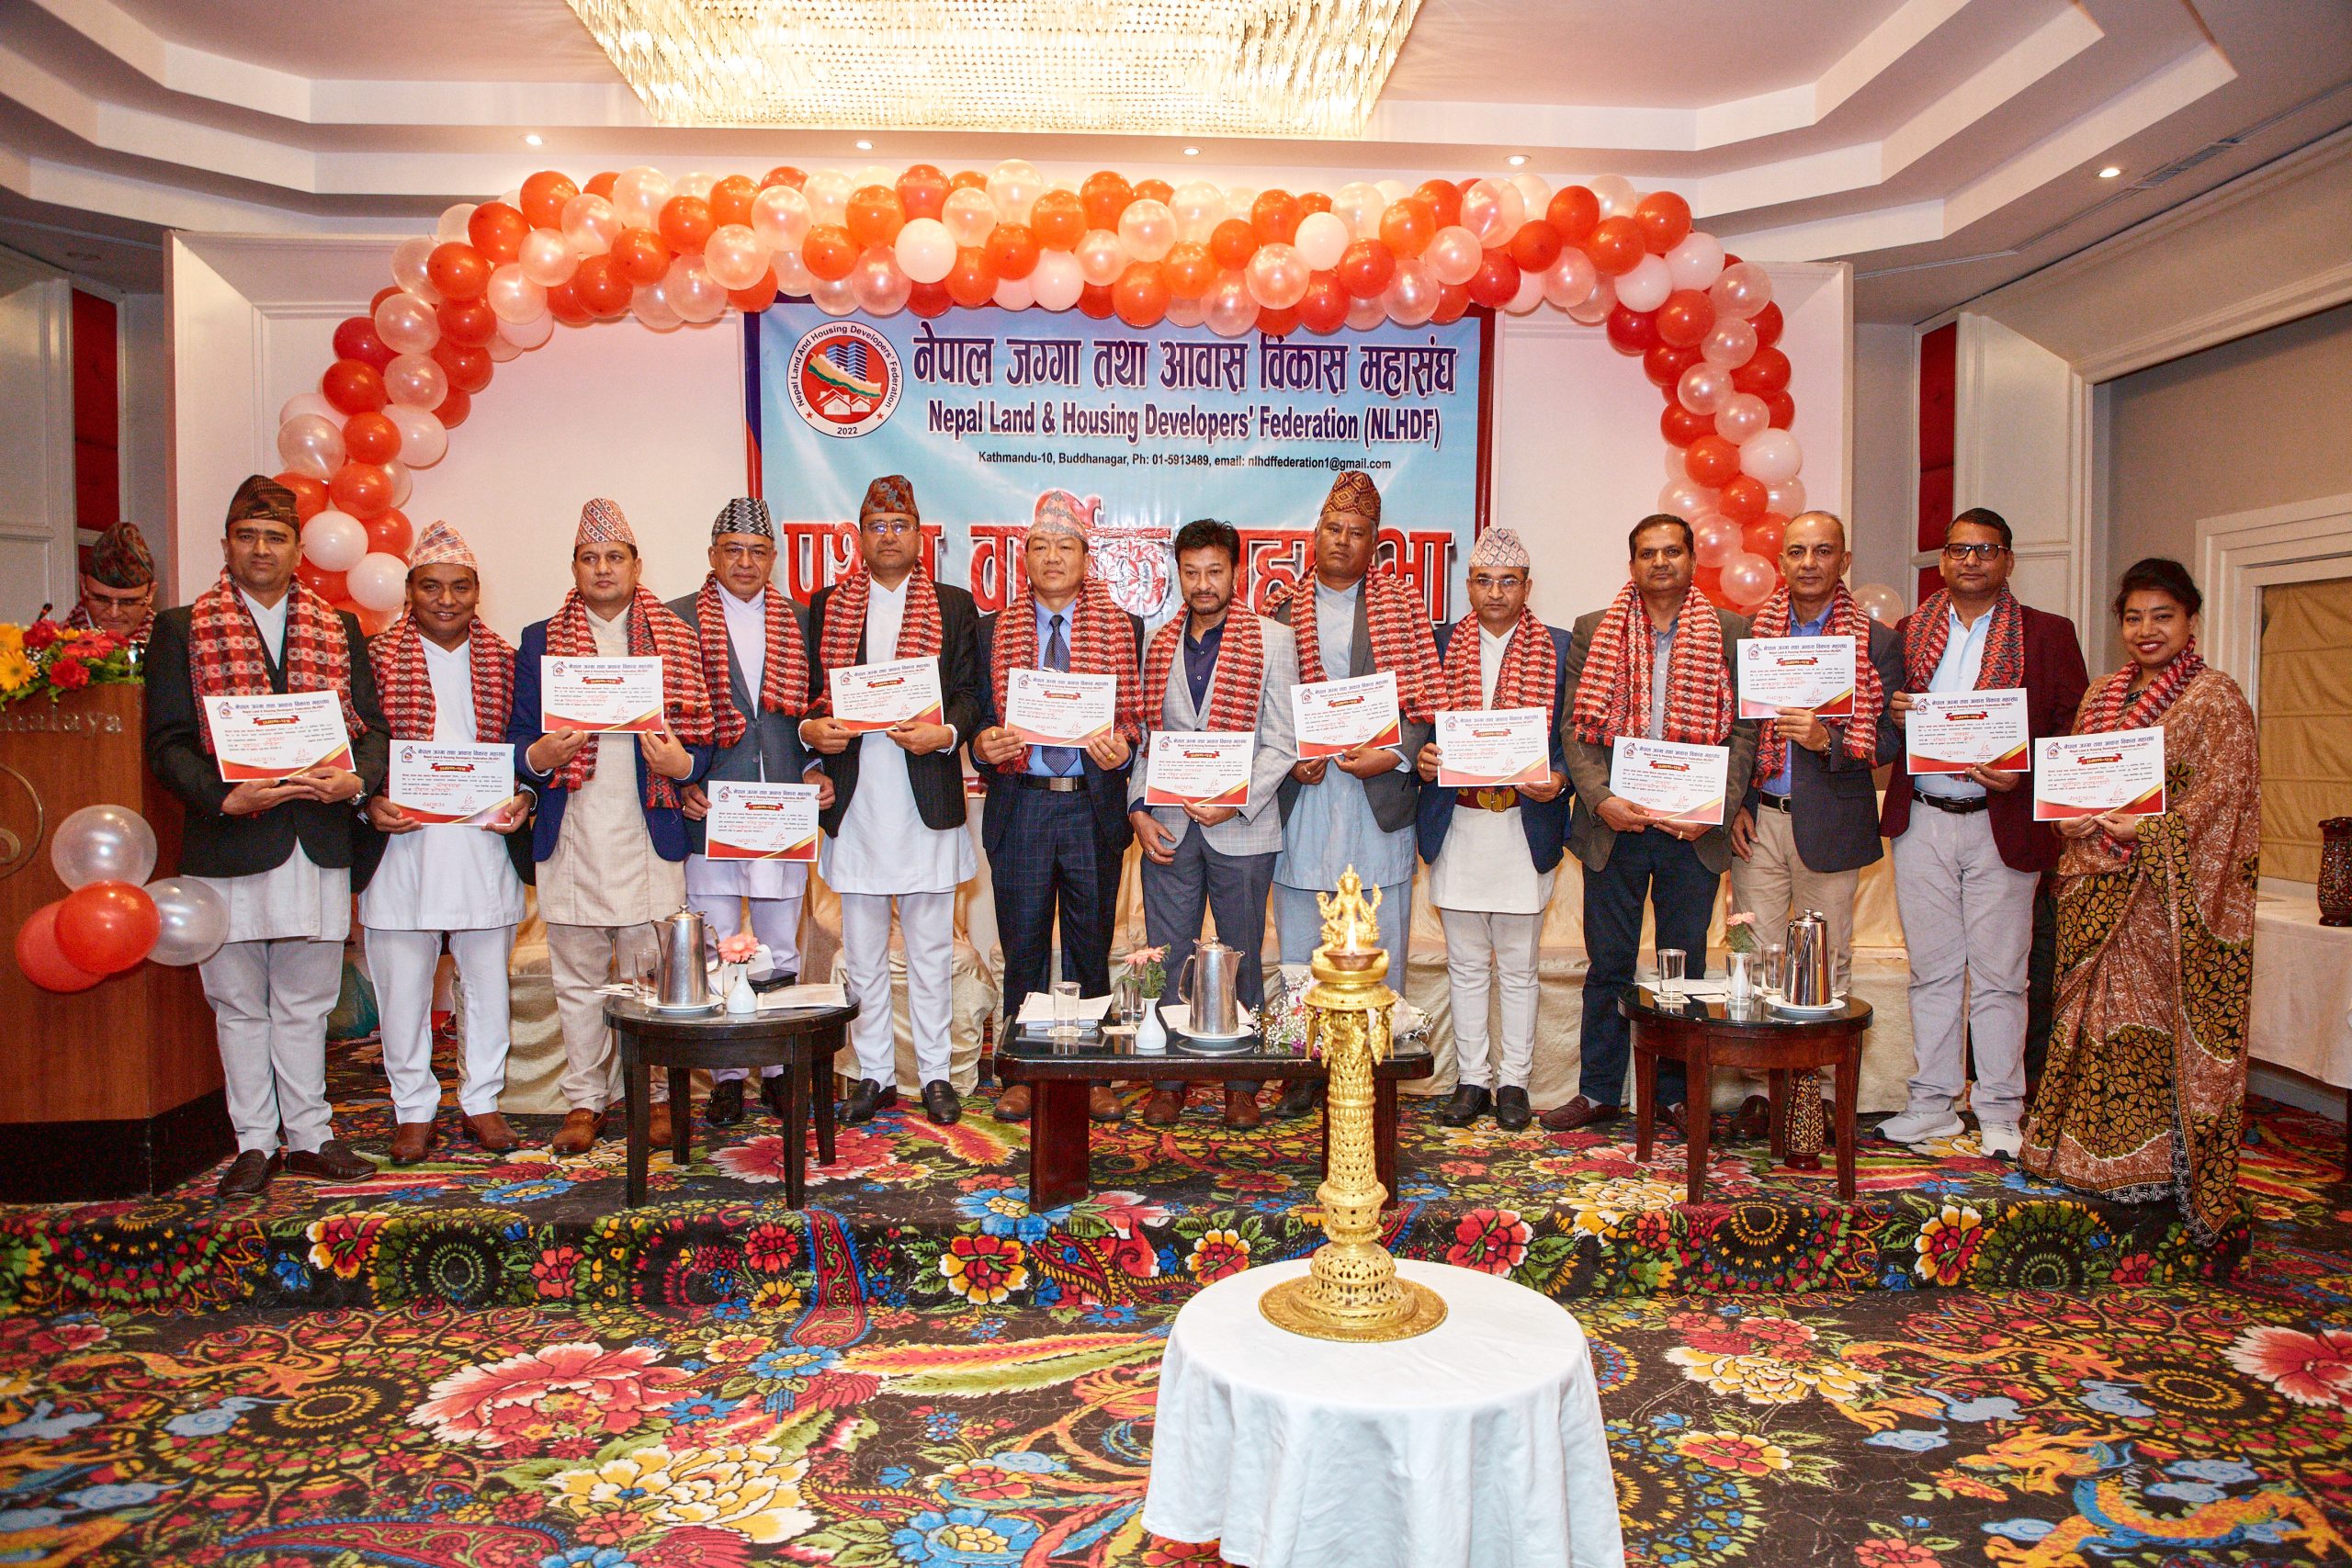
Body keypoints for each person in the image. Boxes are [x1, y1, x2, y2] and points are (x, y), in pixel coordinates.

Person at [144, 476, 387, 1198]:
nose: (260, 548)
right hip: (229, 841)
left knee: (308, 1001)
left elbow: (372, 732)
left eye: (275, 536)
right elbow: (166, 743)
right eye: (247, 535)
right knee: (239, 1002)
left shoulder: (338, 627)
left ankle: (310, 1134)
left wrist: (356, 781)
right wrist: (224, 795)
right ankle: (253, 1140)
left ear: (297, 548)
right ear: (226, 544)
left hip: (315, 836)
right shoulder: (183, 628)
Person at [2021, 557, 2256, 1247]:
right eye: (2133, 617)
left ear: (2190, 620)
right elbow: (2074, 775)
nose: (2147, 630)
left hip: (2160, 897)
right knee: (2084, 1022)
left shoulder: (2216, 699)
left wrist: (2150, 831)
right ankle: (2080, 1157)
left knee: (2144, 1025)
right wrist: (2067, 817)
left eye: (2163, 616)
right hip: (2090, 882)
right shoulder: (2102, 694)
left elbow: (2225, 798)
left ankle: (2149, 1169)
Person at [1877, 508, 2088, 1156]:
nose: (1971, 561)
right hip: (1923, 819)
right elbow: (1883, 725)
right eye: (1959, 549)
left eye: (1986, 550)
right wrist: (1895, 713)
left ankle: (1999, 1109)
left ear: (2008, 561)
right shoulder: (1910, 633)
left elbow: (2074, 731)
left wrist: (2021, 773)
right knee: (1932, 971)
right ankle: (1932, 1104)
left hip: (2004, 822)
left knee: (2002, 976)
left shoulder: (2047, 633)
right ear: (1942, 561)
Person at [508, 500, 715, 1156]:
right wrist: (541, 756)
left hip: (648, 828)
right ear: (574, 568)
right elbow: (517, 737)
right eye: (590, 558)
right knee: (577, 978)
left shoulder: (675, 636)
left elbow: (705, 737)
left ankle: (654, 1099)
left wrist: (683, 764)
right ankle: (584, 1101)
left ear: (636, 565)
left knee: (653, 976)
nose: (603, 569)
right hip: (573, 829)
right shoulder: (540, 640)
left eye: (615, 557)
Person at [1544, 515, 1758, 1136]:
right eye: (1647, 553)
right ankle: (1598, 1091)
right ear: (1632, 564)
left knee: (1682, 967)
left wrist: (1712, 809)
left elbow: (1744, 732)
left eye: (1672, 551)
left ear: (1692, 559)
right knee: (1608, 965)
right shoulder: (1595, 629)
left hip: (1693, 833)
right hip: (1616, 826)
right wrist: (1601, 799)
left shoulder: (1730, 630)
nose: (1660, 562)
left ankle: (1673, 1096)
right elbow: (1575, 728)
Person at [801, 476, 986, 1127]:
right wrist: (811, 735)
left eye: (900, 525)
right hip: (856, 801)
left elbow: (972, 694)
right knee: (863, 952)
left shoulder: (953, 605)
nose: (888, 536)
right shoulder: (828, 606)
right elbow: (806, 698)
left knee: (932, 950)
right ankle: (875, 1073)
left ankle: (934, 1072)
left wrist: (947, 733)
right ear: (859, 536)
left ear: (919, 535)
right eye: (876, 526)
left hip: (924, 797)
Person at [1724, 511, 1902, 1165]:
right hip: (1760, 818)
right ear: (1781, 561)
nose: (1808, 563)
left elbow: (1892, 739)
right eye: (1796, 551)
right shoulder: (1753, 634)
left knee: (1827, 962)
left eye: (1822, 551)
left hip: (1831, 820)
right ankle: (1764, 1090)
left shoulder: (1877, 642)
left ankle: (1818, 1096)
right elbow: (1734, 727)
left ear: (1843, 561)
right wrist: (1734, 804)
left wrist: (1830, 741)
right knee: (1757, 956)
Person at [1265, 469, 1442, 1121]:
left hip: (1377, 799)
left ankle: (1374, 1069)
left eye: (1357, 532)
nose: (1342, 540)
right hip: (1306, 800)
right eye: (1333, 528)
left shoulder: (1404, 610)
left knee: (1378, 939)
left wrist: (1393, 754)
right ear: (1315, 534)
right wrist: (1293, 762)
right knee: (1299, 942)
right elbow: (1262, 711)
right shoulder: (1279, 613)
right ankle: (1304, 1068)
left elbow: (1427, 703)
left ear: (1375, 544)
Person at [356, 521, 535, 1164]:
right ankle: (413, 1109)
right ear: (410, 590)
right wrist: (367, 802)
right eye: (431, 586)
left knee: (487, 985)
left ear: (477, 591)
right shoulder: (373, 659)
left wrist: (525, 797)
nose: (446, 599)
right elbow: (354, 744)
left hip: (482, 842)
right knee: (402, 987)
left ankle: (482, 1100)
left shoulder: (507, 662)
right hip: (403, 845)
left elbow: (526, 747)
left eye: (460, 586)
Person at [973, 491, 1146, 1127]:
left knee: (1088, 949)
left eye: (1065, 546)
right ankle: (1022, 1073)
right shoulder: (991, 630)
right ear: (1024, 558)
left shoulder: (1122, 628)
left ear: (1084, 556)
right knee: (1021, 949)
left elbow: (1137, 720)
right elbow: (976, 714)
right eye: (1040, 546)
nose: (1052, 557)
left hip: (1089, 809)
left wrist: (1123, 748)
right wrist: (982, 744)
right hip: (1021, 804)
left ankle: (1091, 1074)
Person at [1131, 519, 1302, 1129]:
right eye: (1192, 572)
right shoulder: (1159, 641)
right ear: (1178, 573)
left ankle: (1241, 1085)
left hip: (1243, 827)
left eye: (1215, 571)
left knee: (1242, 957)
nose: (1203, 584)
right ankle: (1168, 1081)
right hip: (1170, 824)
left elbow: (1283, 740)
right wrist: (1138, 808)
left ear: (1236, 572)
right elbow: (1147, 736)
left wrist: (1237, 798)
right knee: (1167, 957)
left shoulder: (1274, 641)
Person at [670, 497, 821, 1129]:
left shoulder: (801, 619)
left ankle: (780, 1074)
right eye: (733, 550)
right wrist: (679, 782)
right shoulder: (678, 618)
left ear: (773, 558)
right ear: (712, 555)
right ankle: (728, 1078)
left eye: (758, 551)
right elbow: (663, 713)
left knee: (780, 946)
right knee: (716, 945)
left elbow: (818, 706)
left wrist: (816, 768)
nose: (745, 562)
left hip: (781, 806)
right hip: (712, 806)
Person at [1415, 527, 1570, 1132]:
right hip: (1458, 821)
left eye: (1508, 582)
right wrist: (1423, 756)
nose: (1496, 592)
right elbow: (1417, 723)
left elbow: (1574, 735)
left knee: (1519, 967)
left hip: (1522, 825)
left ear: (1528, 587)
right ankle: (1472, 1080)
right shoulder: (1439, 643)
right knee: (1466, 965)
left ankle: (1514, 1083)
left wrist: (1561, 778)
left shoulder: (1559, 646)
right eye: (1484, 580)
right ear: (1469, 585)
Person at [66, 521, 158, 646]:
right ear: (83, 585)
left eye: (128, 602)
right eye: (102, 599)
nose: (114, 614)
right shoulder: (53, 644)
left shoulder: (174, 645)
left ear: (151, 593)